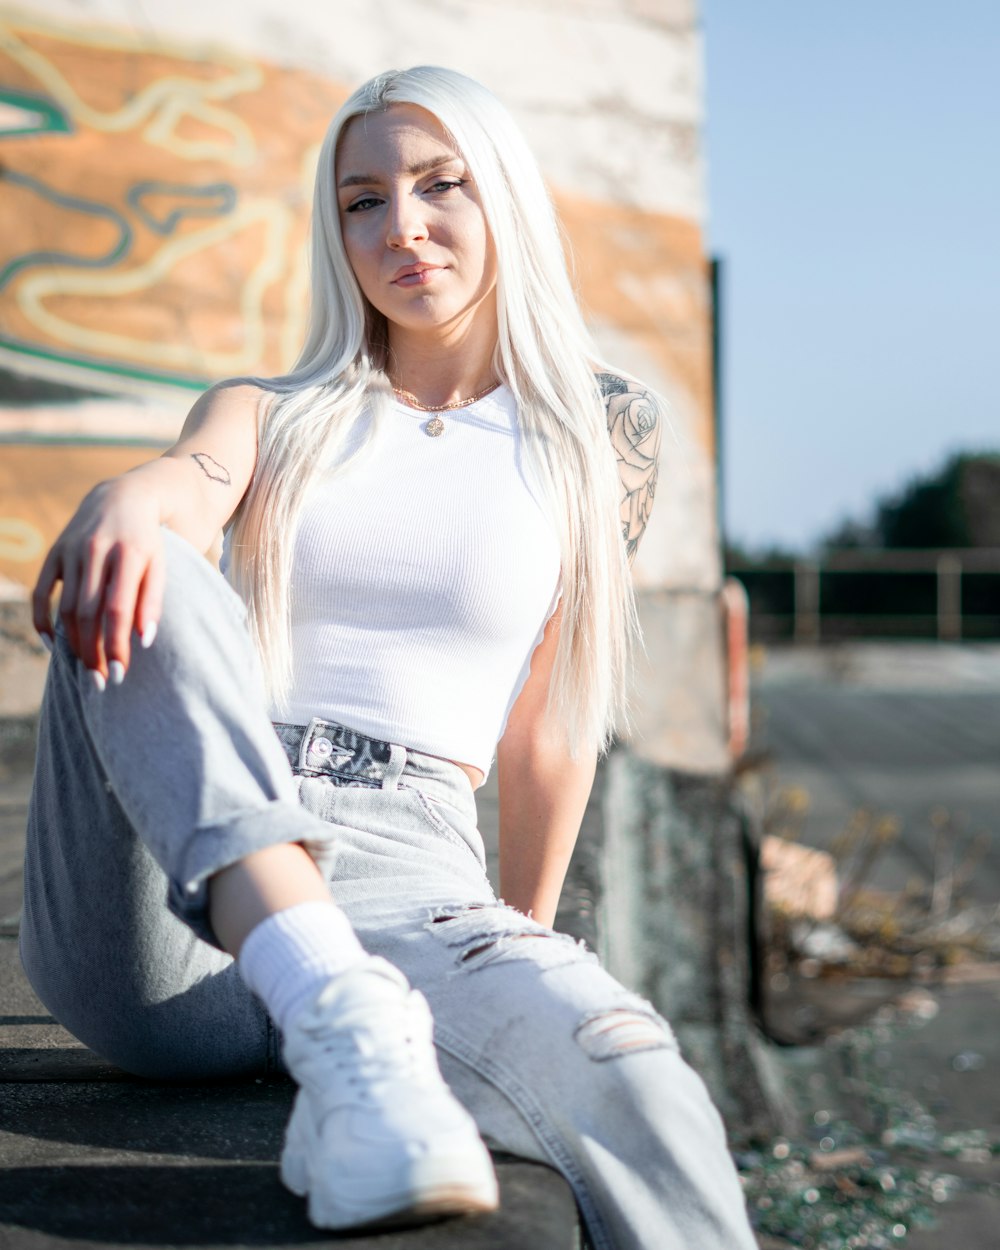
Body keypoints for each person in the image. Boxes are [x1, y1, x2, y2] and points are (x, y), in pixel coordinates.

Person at [22, 66, 757, 1249]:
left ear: (503, 196)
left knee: (638, 1077)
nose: (400, 226)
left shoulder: (596, 434)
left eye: (439, 184)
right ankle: (337, 1003)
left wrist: (520, 939)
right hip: (171, 913)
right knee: (155, 558)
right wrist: (131, 493)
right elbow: (192, 490)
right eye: (362, 200)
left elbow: (549, 722)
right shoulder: (271, 411)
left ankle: (349, 1037)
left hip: (411, 875)